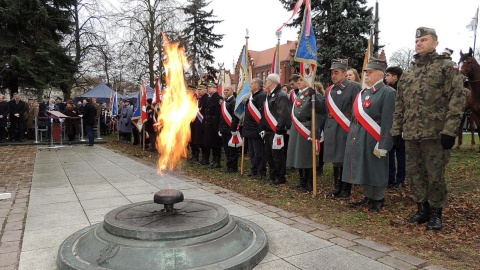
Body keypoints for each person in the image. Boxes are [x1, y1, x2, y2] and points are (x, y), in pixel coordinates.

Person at [391, 27, 465, 230]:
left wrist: (449, 131)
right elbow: (400, 104)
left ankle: (435, 213)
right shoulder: (409, 72)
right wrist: (396, 130)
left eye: (424, 40)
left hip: (435, 134)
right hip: (412, 134)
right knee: (415, 174)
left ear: (435, 43)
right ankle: (421, 209)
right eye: (417, 40)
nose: (419, 43)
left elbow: (457, 100)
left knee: (435, 175)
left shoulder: (446, 67)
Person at [344, 58, 396, 212]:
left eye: (370, 72)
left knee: (376, 167)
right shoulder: (363, 93)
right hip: (360, 134)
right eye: (366, 72)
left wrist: (385, 143)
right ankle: (368, 196)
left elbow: (389, 120)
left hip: (375, 135)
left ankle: (378, 198)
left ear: (380, 76)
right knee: (364, 165)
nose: (366, 75)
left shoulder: (387, 92)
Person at [321, 59, 362, 199]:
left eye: (336, 72)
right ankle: (337, 187)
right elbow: (326, 110)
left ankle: (346, 189)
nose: (333, 75)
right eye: (332, 73)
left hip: (346, 127)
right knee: (335, 158)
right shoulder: (329, 90)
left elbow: (357, 108)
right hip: (332, 127)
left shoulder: (354, 87)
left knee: (345, 158)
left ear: (344, 73)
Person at [286, 76, 325, 192]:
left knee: (307, 156)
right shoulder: (300, 94)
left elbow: (321, 110)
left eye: (301, 80)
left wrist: (314, 129)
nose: (298, 82)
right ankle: (302, 181)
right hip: (297, 127)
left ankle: (309, 183)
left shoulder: (313, 94)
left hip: (307, 127)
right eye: (298, 80)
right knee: (299, 155)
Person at [260, 73, 290, 185]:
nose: (265, 82)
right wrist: (263, 127)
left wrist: (278, 130)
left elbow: (283, 114)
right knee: (269, 155)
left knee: (277, 155)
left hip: (276, 131)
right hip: (268, 130)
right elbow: (265, 113)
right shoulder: (269, 94)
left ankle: (280, 177)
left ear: (273, 82)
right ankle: (273, 175)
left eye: (267, 80)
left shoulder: (281, 94)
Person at [384, 66, 406, 189]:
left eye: (388, 75)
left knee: (401, 154)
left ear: (395, 77)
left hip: (401, 126)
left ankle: (400, 179)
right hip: (390, 126)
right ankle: (390, 178)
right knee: (390, 153)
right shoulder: (387, 90)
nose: (386, 78)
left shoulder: (402, 90)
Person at [242, 78, 267, 178]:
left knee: (259, 152)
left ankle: (261, 172)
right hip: (249, 129)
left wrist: (261, 128)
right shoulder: (252, 96)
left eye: (252, 84)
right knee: (251, 152)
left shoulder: (262, 96)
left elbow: (262, 114)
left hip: (257, 129)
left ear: (257, 86)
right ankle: (254, 169)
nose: (250, 85)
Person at [219, 85, 240, 173]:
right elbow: (221, 117)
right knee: (227, 149)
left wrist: (233, 129)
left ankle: (233, 167)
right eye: (225, 90)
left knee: (232, 150)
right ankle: (229, 166)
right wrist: (220, 128)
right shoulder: (225, 101)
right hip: (224, 129)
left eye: (227, 90)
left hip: (231, 129)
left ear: (232, 91)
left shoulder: (233, 101)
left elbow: (235, 116)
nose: (226, 91)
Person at [203, 82, 223, 169]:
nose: (209, 89)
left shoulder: (218, 98)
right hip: (209, 123)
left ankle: (217, 161)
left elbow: (218, 113)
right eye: (208, 87)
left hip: (214, 124)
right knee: (210, 143)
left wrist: (217, 126)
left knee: (216, 144)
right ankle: (213, 160)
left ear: (215, 88)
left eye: (211, 87)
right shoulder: (210, 98)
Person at [190, 84, 208, 163]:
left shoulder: (206, 99)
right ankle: (194, 155)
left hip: (202, 122)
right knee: (194, 140)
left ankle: (204, 158)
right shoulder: (196, 99)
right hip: (194, 122)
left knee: (202, 141)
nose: (199, 91)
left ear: (205, 90)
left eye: (200, 89)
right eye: (198, 89)